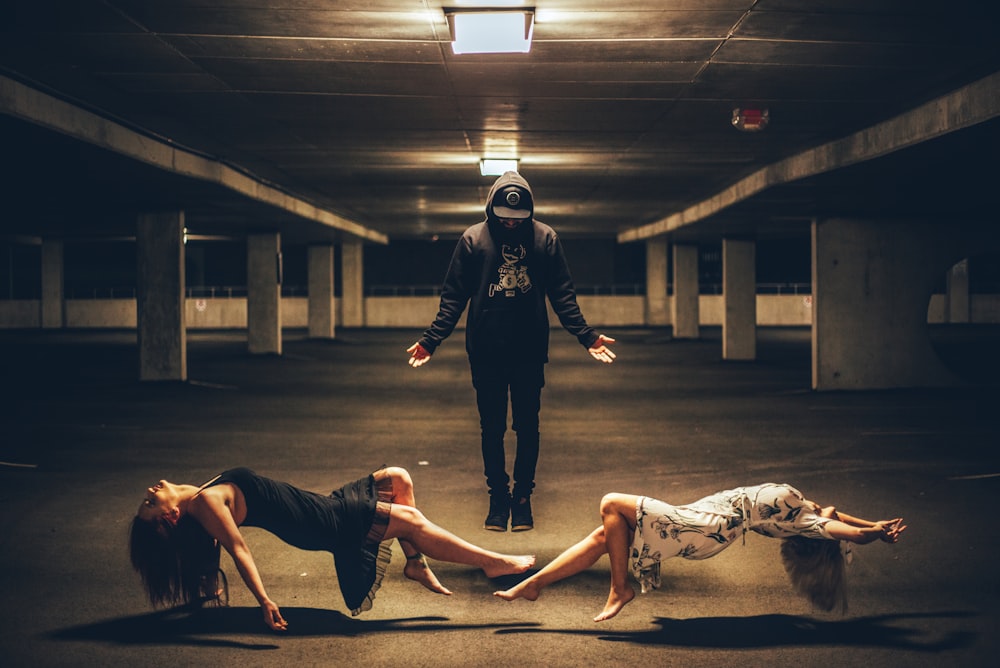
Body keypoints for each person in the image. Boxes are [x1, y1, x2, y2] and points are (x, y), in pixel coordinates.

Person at [406, 170, 617, 533]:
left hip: (528, 351)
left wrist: (587, 336)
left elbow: (562, 294)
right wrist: (431, 339)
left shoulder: (545, 238)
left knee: (527, 427)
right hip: (486, 352)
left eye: (516, 218)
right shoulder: (473, 239)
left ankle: (522, 499)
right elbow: (454, 296)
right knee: (492, 428)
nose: (509, 222)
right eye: (503, 215)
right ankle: (497, 497)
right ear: (491, 206)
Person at [129, 465, 535, 631]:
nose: (150, 492)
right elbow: (238, 549)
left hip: (321, 505)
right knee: (409, 520)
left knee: (398, 479)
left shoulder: (201, 497)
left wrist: (206, 584)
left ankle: (415, 562)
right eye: (151, 504)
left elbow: (214, 545)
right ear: (170, 518)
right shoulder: (203, 504)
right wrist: (265, 601)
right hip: (323, 524)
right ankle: (492, 563)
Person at [494, 482, 906, 621]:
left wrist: (867, 535)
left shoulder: (800, 520)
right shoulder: (802, 506)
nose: (827, 509)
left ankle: (620, 589)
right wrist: (872, 523)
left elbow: (838, 530)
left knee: (611, 502)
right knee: (607, 535)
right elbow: (833, 514)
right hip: (697, 518)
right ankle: (534, 584)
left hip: (705, 529)